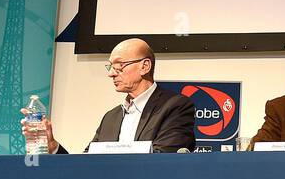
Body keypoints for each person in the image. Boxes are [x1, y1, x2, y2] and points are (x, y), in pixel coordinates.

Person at [20, 38, 196, 153]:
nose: (111, 73)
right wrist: (53, 146)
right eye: (110, 66)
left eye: (119, 65)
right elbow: (84, 168)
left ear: (145, 66)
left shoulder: (175, 107)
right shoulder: (111, 118)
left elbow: (165, 160)